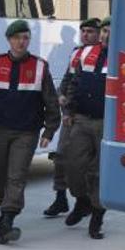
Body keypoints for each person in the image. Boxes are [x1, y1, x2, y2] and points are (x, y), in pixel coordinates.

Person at [0, 20, 61, 244]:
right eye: (17, 37)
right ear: (9, 40)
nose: (22, 42)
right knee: (1, 176)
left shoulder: (40, 67)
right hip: (0, 129)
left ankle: (8, 221)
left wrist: (49, 130)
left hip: (27, 131)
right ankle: (3, 211)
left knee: (16, 175)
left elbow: (51, 101)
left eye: (25, 38)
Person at [43, 18, 101, 217]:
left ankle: (86, 202)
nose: (86, 35)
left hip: (88, 115)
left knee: (87, 163)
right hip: (71, 112)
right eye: (83, 31)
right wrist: (61, 96)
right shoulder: (76, 52)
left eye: (90, 31)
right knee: (61, 156)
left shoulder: (103, 54)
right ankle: (60, 198)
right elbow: (68, 79)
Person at [64, 17, 110, 239]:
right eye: (103, 31)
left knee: (99, 172)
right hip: (81, 119)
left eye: (109, 31)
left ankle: (97, 217)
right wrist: (69, 111)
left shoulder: (122, 57)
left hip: (105, 122)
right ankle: (82, 202)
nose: (105, 35)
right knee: (73, 165)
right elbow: (75, 82)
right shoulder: (85, 53)